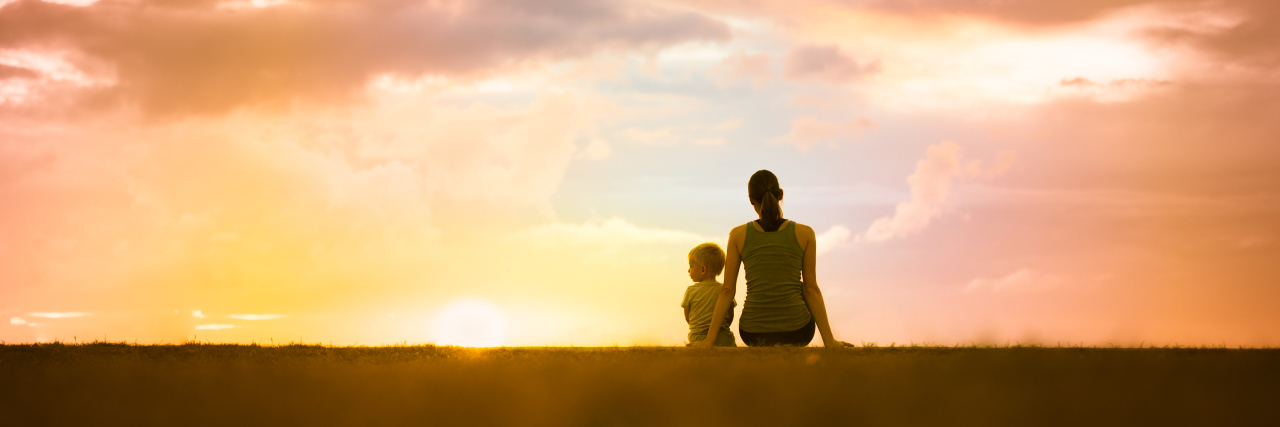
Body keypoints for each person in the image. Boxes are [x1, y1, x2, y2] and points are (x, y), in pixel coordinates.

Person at [691, 170, 854, 348]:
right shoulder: (805, 233)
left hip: (752, 333)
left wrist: (709, 340)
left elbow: (727, 291)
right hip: (798, 332)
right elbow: (811, 289)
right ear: (780, 195)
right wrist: (829, 341)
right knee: (800, 285)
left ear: (751, 200)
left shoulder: (737, 235)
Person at [681, 243, 738, 347]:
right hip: (725, 339)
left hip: (698, 338)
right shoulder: (725, 290)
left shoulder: (691, 291)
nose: (688, 270)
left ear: (703, 269)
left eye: (691, 266)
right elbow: (730, 315)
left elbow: (688, 317)